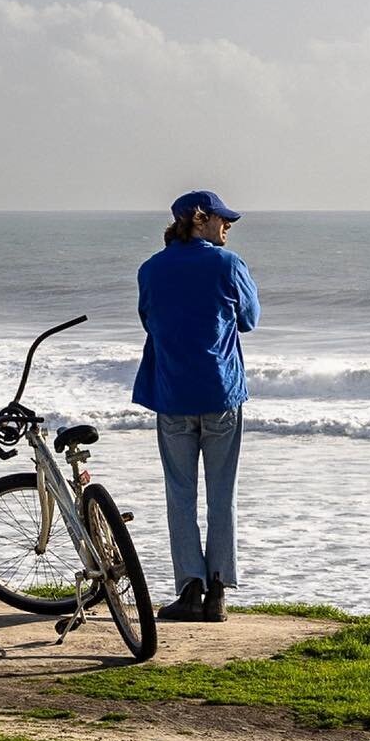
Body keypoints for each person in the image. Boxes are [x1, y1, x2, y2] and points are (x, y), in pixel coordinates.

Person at [132, 190, 260, 623]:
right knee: (221, 496)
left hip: (172, 394)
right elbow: (250, 319)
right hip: (220, 392)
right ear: (199, 220)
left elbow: (149, 320)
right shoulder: (228, 264)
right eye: (222, 219)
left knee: (180, 496)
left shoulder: (151, 268)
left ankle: (190, 589)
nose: (228, 226)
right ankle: (218, 591)